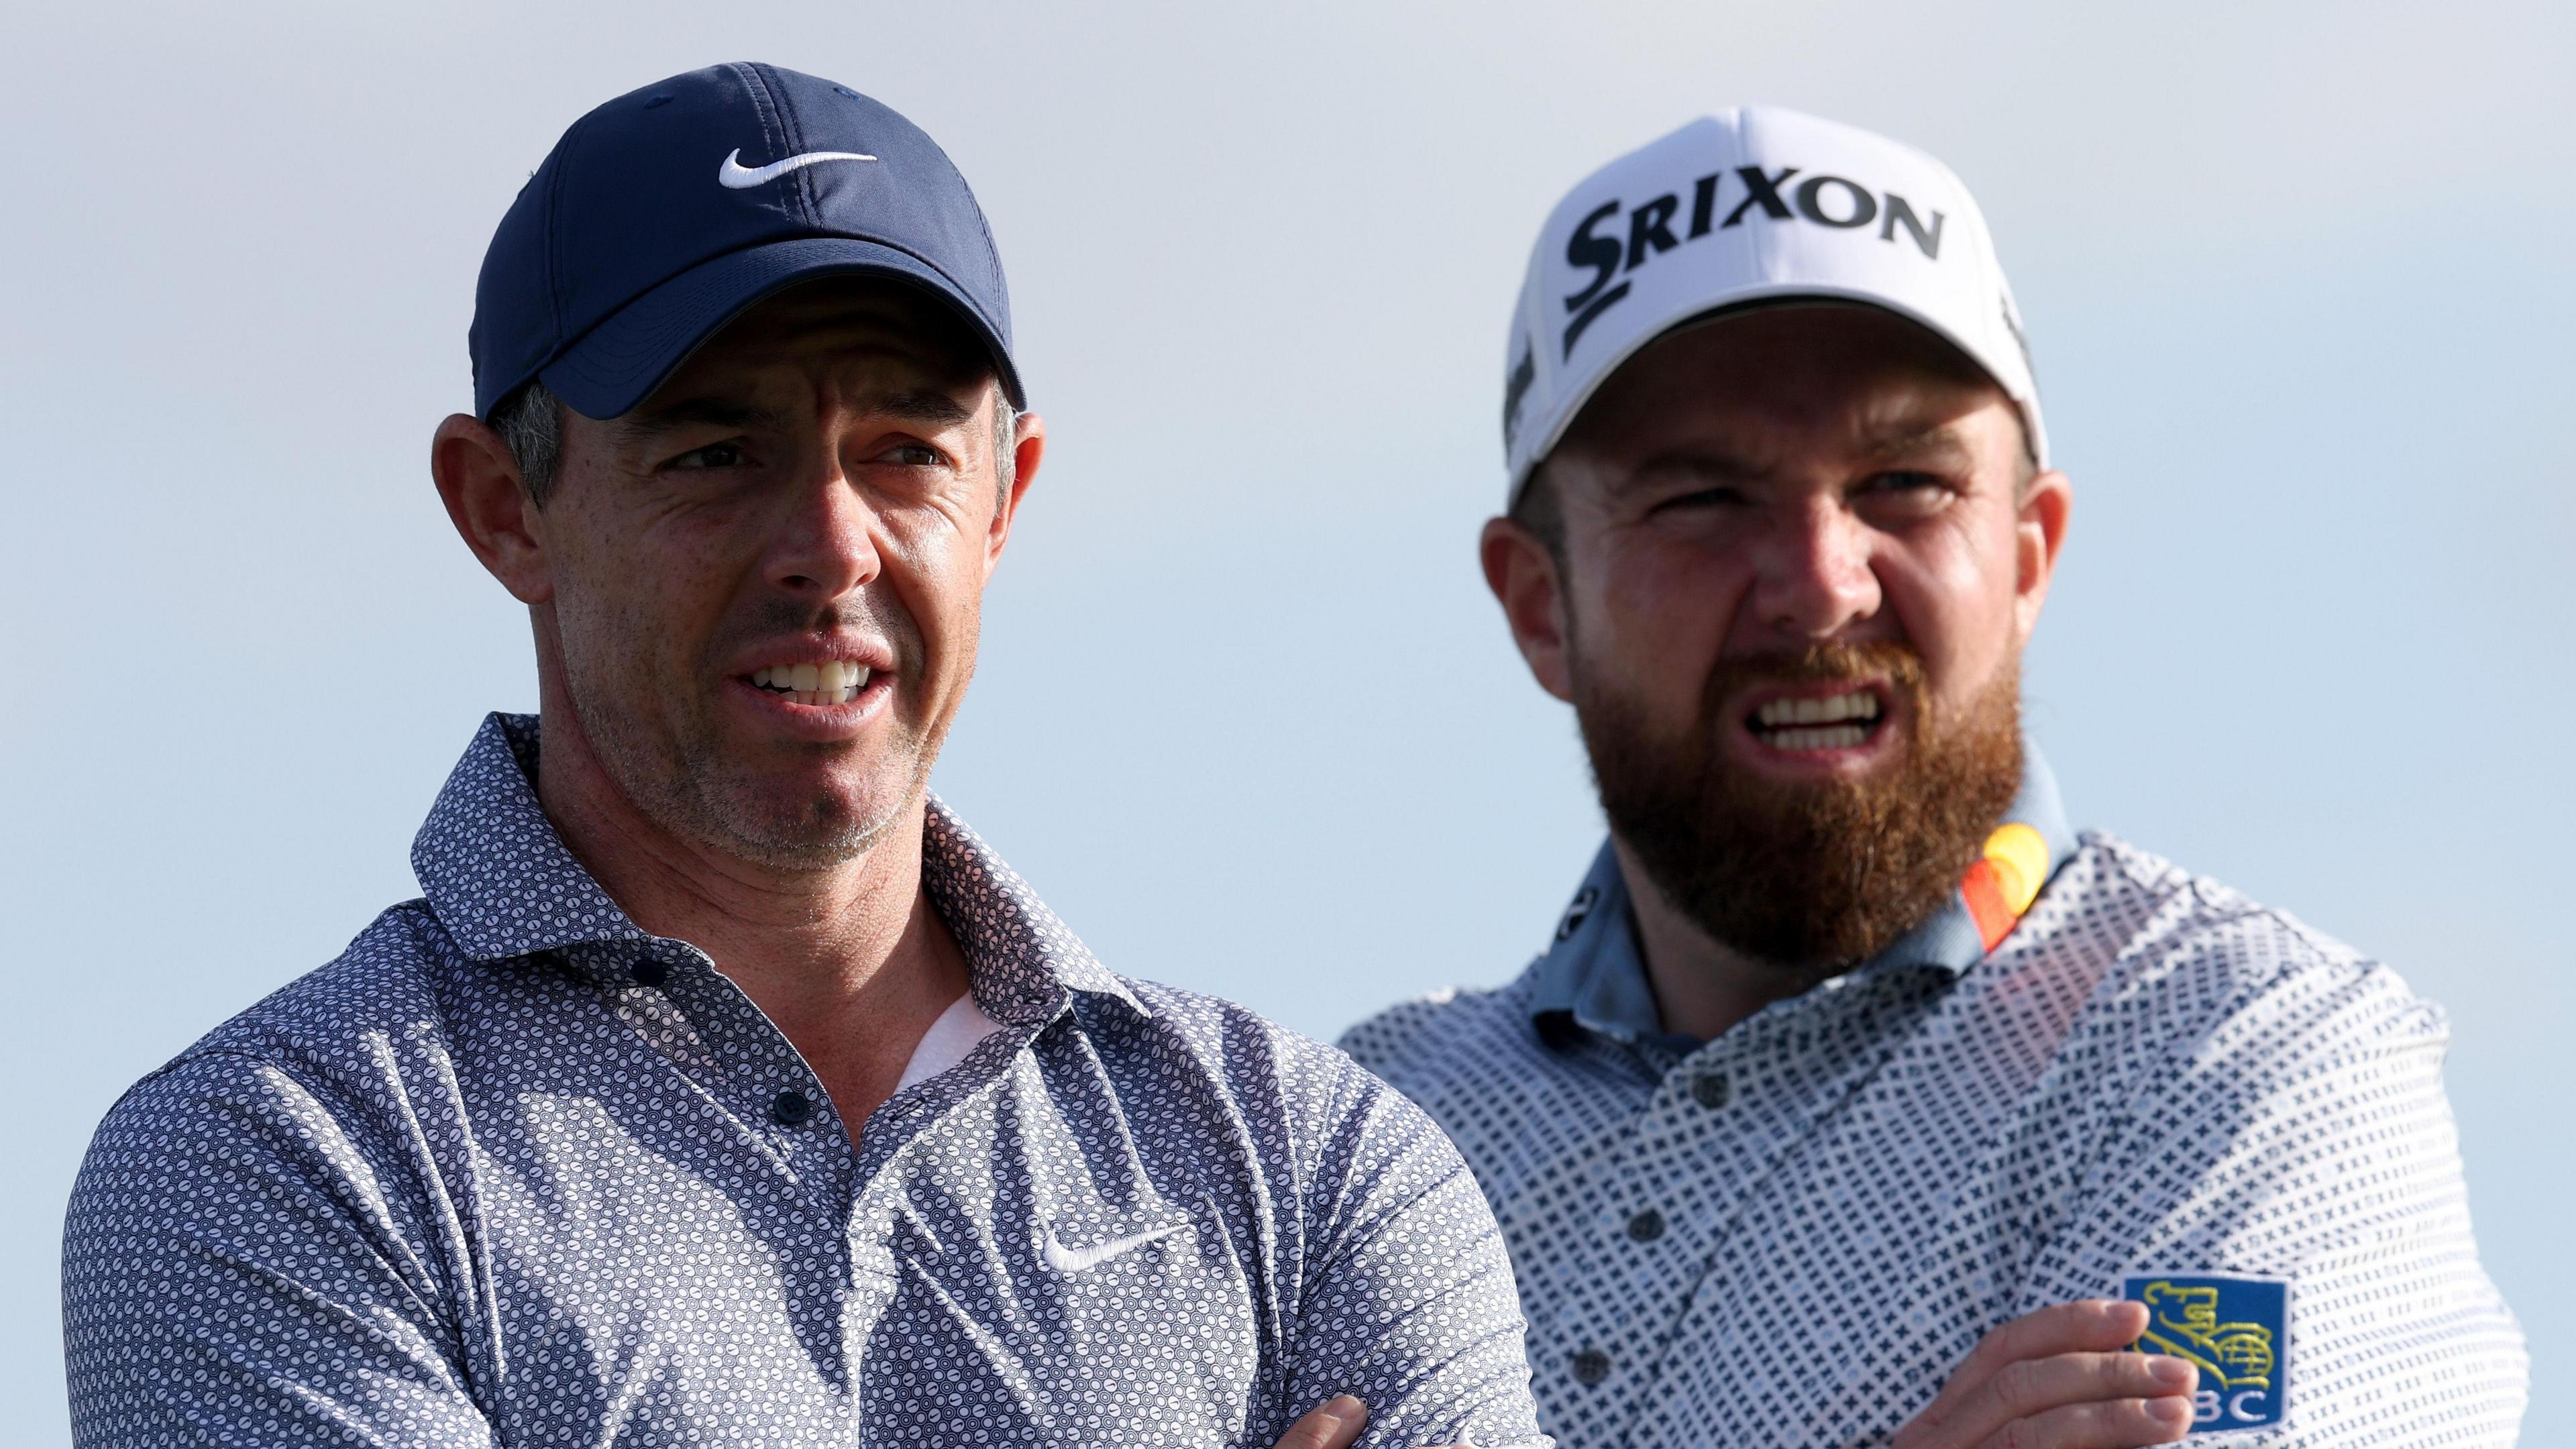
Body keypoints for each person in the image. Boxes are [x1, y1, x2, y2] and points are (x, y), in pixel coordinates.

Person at [58, 63, 1546, 1449]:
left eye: (906, 452)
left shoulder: (1314, 1169)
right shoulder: (265, 1166)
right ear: (506, 508)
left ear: (1005, 499)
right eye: (716, 454)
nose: (831, 546)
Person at [1341, 105, 2530, 1447]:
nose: (1821, 588)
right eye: (1702, 500)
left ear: (2028, 560)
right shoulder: (1346, 1144)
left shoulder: (2242, 1052)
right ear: (1539, 605)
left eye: (1904, 483)